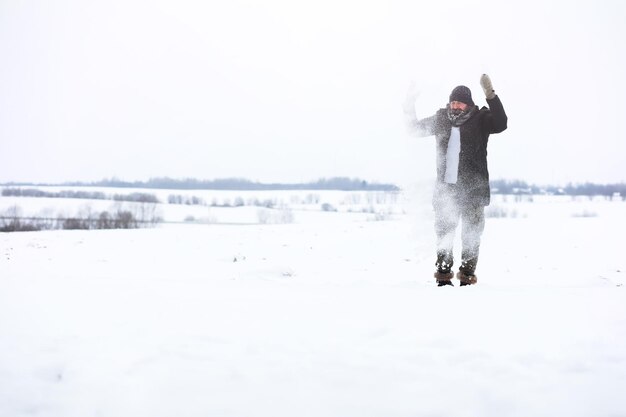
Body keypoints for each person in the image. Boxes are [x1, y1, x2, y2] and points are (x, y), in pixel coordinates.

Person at [404, 74, 508, 286]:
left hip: (474, 191)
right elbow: (413, 129)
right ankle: (443, 277)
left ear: (468, 104)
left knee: (471, 237)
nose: (455, 105)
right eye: (452, 101)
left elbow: (501, 123)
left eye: (459, 102)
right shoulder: (441, 119)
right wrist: (409, 103)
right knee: (444, 236)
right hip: (446, 192)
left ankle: (467, 277)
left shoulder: (480, 119)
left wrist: (491, 95)